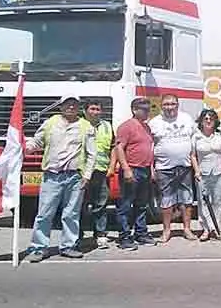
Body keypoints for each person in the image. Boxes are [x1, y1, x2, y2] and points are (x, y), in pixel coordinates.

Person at [23, 95, 97, 262]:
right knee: (44, 213)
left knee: (71, 214)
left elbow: (92, 154)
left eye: (74, 104)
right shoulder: (50, 123)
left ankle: (68, 246)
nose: (71, 107)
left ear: (79, 107)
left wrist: (87, 175)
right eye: (67, 104)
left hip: (75, 177)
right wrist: (24, 148)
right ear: (61, 107)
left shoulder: (86, 126)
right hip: (52, 176)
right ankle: (38, 247)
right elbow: (37, 142)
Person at [149, 93, 198, 243]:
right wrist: (152, 168)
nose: (169, 107)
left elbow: (194, 142)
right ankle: (166, 230)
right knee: (166, 200)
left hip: (184, 166)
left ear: (178, 105)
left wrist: (196, 166)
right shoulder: (154, 122)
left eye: (172, 104)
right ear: (161, 106)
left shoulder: (187, 119)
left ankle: (187, 229)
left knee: (187, 199)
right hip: (164, 167)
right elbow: (150, 146)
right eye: (166, 104)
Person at [112, 97, 157, 251]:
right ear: (134, 110)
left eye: (148, 109)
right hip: (132, 169)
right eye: (143, 109)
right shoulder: (126, 127)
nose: (146, 111)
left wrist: (151, 170)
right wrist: (126, 169)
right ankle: (124, 236)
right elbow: (119, 148)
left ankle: (141, 233)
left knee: (142, 204)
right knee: (125, 205)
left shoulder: (146, 127)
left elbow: (149, 150)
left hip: (144, 169)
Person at [191, 108, 221, 242]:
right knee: (203, 202)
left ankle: (217, 228)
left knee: (219, 201)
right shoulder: (196, 136)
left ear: (215, 121)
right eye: (205, 118)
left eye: (211, 118)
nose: (208, 121)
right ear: (201, 121)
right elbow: (193, 155)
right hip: (203, 173)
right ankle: (206, 229)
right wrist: (196, 171)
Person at [79, 100, 114, 250]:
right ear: (85, 111)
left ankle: (100, 235)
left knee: (100, 204)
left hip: (101, 171)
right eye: (92, 109)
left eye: (98, 109)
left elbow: (113, 147)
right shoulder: (79, 125)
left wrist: (112, 166)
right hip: (81, 172)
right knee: (79, 205)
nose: (95, 112)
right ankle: (77, 236)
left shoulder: (107, 126)